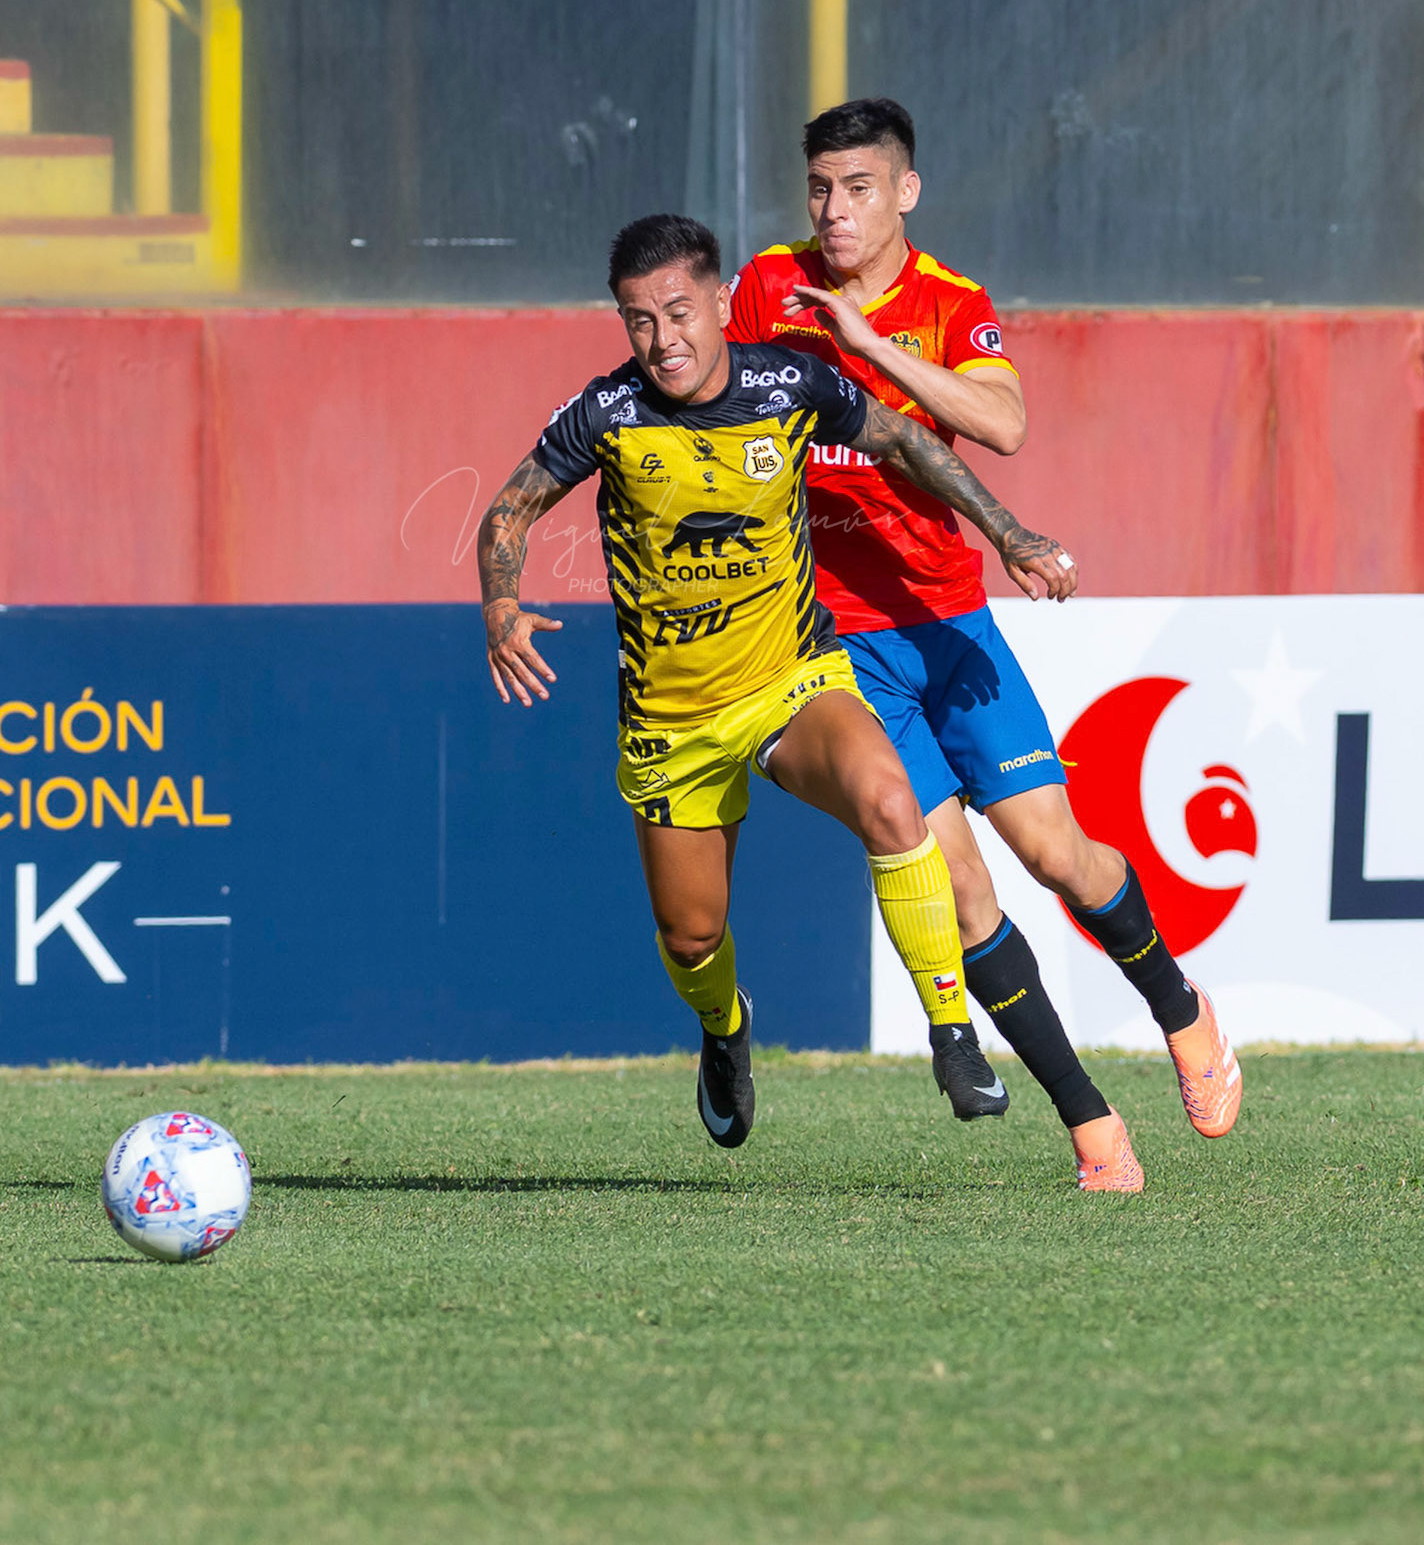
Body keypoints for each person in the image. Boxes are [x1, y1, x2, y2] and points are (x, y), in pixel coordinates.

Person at [478, 212, 1079, 1149]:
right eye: (639, 320)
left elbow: (908, 443)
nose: (663, 339)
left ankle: (953, 1031)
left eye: (680, 312)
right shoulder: (607, 414)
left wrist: (1009, 534)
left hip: (791, 681)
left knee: (891, 804)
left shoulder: (787, 383)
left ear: (721, 303)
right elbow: (509, 510)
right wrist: (502, 606)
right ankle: (725, 1030)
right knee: (691, 939)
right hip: (671, 721)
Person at [728, 98, 1242, 1192]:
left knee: (1060, 856)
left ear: (905, 191)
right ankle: (1092, 1126)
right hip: (839, 647)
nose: (834, 210)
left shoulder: (952, 303)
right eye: (820, 187)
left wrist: (869, 349)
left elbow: (1003, 424)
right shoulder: (767, 285)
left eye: (857, 187)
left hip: (949, 625)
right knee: (960, 895)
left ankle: (1181, 1009)